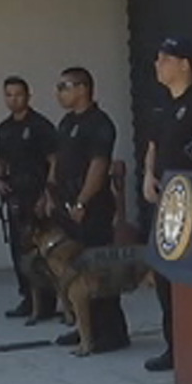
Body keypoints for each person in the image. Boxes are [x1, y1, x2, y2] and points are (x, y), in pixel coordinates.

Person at [141, 37, 192, 372]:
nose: (157, 65)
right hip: (163, 202)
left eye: (165, 59)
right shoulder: (160, 104)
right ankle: (173, 346)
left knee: (186, 276)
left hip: (191, 202)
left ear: (185, 64)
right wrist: (148, 175)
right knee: (164, 276)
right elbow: (153, 144)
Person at [47, 66, 130, 353]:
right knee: (74, 268)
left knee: (98, 270)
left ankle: (111, 332)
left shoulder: (99, 123)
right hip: (66, 204)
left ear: (83, 88)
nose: (59, 93)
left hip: (91, 207)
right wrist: (51, 190)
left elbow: (99, 164)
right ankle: (85, 329)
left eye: (64, 87)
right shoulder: (67, 123)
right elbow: (58, 158)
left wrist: (83, 201)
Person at [0, 76, 57, 319]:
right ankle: (28, 299)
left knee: (41, 249)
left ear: (28, 95)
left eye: (18, 94)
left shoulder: (41, 126)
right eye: (8, 95)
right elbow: (0, 160)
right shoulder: (4, 128)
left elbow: (54, 161)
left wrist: (47, 195)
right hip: (15, 194)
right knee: (19, 249)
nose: (13, 99)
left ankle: (47, 302)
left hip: (37, 194)